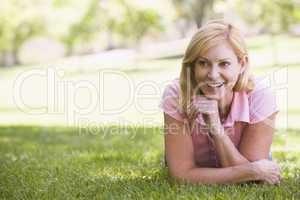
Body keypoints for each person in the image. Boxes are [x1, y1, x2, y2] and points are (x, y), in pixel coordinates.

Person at [159, 19, 280, 185]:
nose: (213, 74)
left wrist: (215, 128)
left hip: (232, 162)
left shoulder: (260, 96)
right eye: (203, 63)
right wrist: (251, 171)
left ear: (241, 64)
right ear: (193, 65)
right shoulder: (176, 95)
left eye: (224, 64)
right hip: (232, 165)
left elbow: (253, 184)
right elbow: (181, 176)